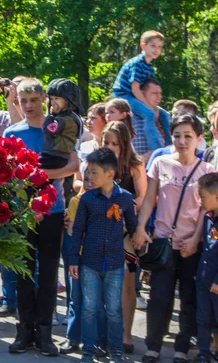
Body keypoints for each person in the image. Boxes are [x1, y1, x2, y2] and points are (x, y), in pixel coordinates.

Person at [4, 77, 79, 356]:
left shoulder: (55, 128)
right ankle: (24, 330)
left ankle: (45, 332)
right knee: (22, 273)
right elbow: (6, 174)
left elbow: (73, 164)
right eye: (23, 101)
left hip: (53, 210)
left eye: (34, 100)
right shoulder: (12, 132)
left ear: (43, 100)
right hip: (22, 213)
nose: (29, 106)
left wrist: (43, 176)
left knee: (48, 274)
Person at [133, 112, 214, 363]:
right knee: (159, 295)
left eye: (188, 136)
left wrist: (195, 239)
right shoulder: (160, 162)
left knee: (189, 297)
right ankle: (153, 346)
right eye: (177, 135)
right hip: (163, 241)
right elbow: (149, 199)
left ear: (199, 138)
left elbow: (205, 210)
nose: (182, 141)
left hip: (191, 244)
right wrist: (140, 227)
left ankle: (181, 347)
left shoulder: (207, 170)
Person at [69, 148, 137, 363]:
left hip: (116, 263)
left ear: (110, 174)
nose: (88, 177)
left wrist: (141, 237)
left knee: (114, 309)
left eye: (94, 172)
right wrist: (73, 260)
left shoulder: (125, 199)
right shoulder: (87, 199)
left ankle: (115, 350)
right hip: (89, 261)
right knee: (90, 308)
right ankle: (88, 350)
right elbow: (77, 231)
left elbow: (133, 226)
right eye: (87, 172)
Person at [101, 121, 147, 353]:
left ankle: (126, 335)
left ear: (125, 144)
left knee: (126, 286)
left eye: (115, 144)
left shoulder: (134, 166)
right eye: (105, 142)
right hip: (98, 231)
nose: (109, 147)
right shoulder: (96, 162)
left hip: (125, 232)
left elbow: (145, 197)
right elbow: (82, 187)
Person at [60, 172, 108, 356]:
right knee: (76, 299)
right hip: (79, 258)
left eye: (93, 178)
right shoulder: (75, 202)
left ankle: (101, 341)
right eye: (85, 179)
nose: (89, 183)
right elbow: (72, 233)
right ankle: (73, 338)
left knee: (97, 302)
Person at [112, 30, 170, 152]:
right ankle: (156, 149)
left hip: (134, 96)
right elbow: (135, 88)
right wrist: (149, 107)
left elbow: (148, 87)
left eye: (159, 47)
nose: (156, 50)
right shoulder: (137, 63)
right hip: (124, 96)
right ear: (143, 46)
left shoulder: (149, 67)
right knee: (148, 113)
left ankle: (169, 146)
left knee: (165, 115)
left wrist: (155, 107)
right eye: (153, 45)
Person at [194, 173, 218, 363]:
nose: (200, 201)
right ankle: (203, 353)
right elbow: (207, 246)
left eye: (203, 197)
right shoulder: (209, 217)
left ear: (217, 196)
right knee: (203, 319)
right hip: (204, 278)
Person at [40, 78, 84, 169]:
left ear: (68, 100)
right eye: (51, 99)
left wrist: (51, 115)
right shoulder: (62, 117)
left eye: (57, 98)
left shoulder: (67, 120)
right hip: (53, 155)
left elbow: (48, 129)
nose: (53, 102)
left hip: (57, 157)